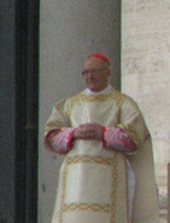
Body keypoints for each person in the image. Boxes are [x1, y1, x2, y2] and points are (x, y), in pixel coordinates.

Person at [43, 53, 158, 222]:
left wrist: (103, 133)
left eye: (95, 71)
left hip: (108, 176)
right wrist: (74, 133)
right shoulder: (70, 104)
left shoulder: (123, 103)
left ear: (107, 72)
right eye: (86, 72)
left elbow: (135, 139)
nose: (90, 76)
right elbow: (52, 136)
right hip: (76, 177)